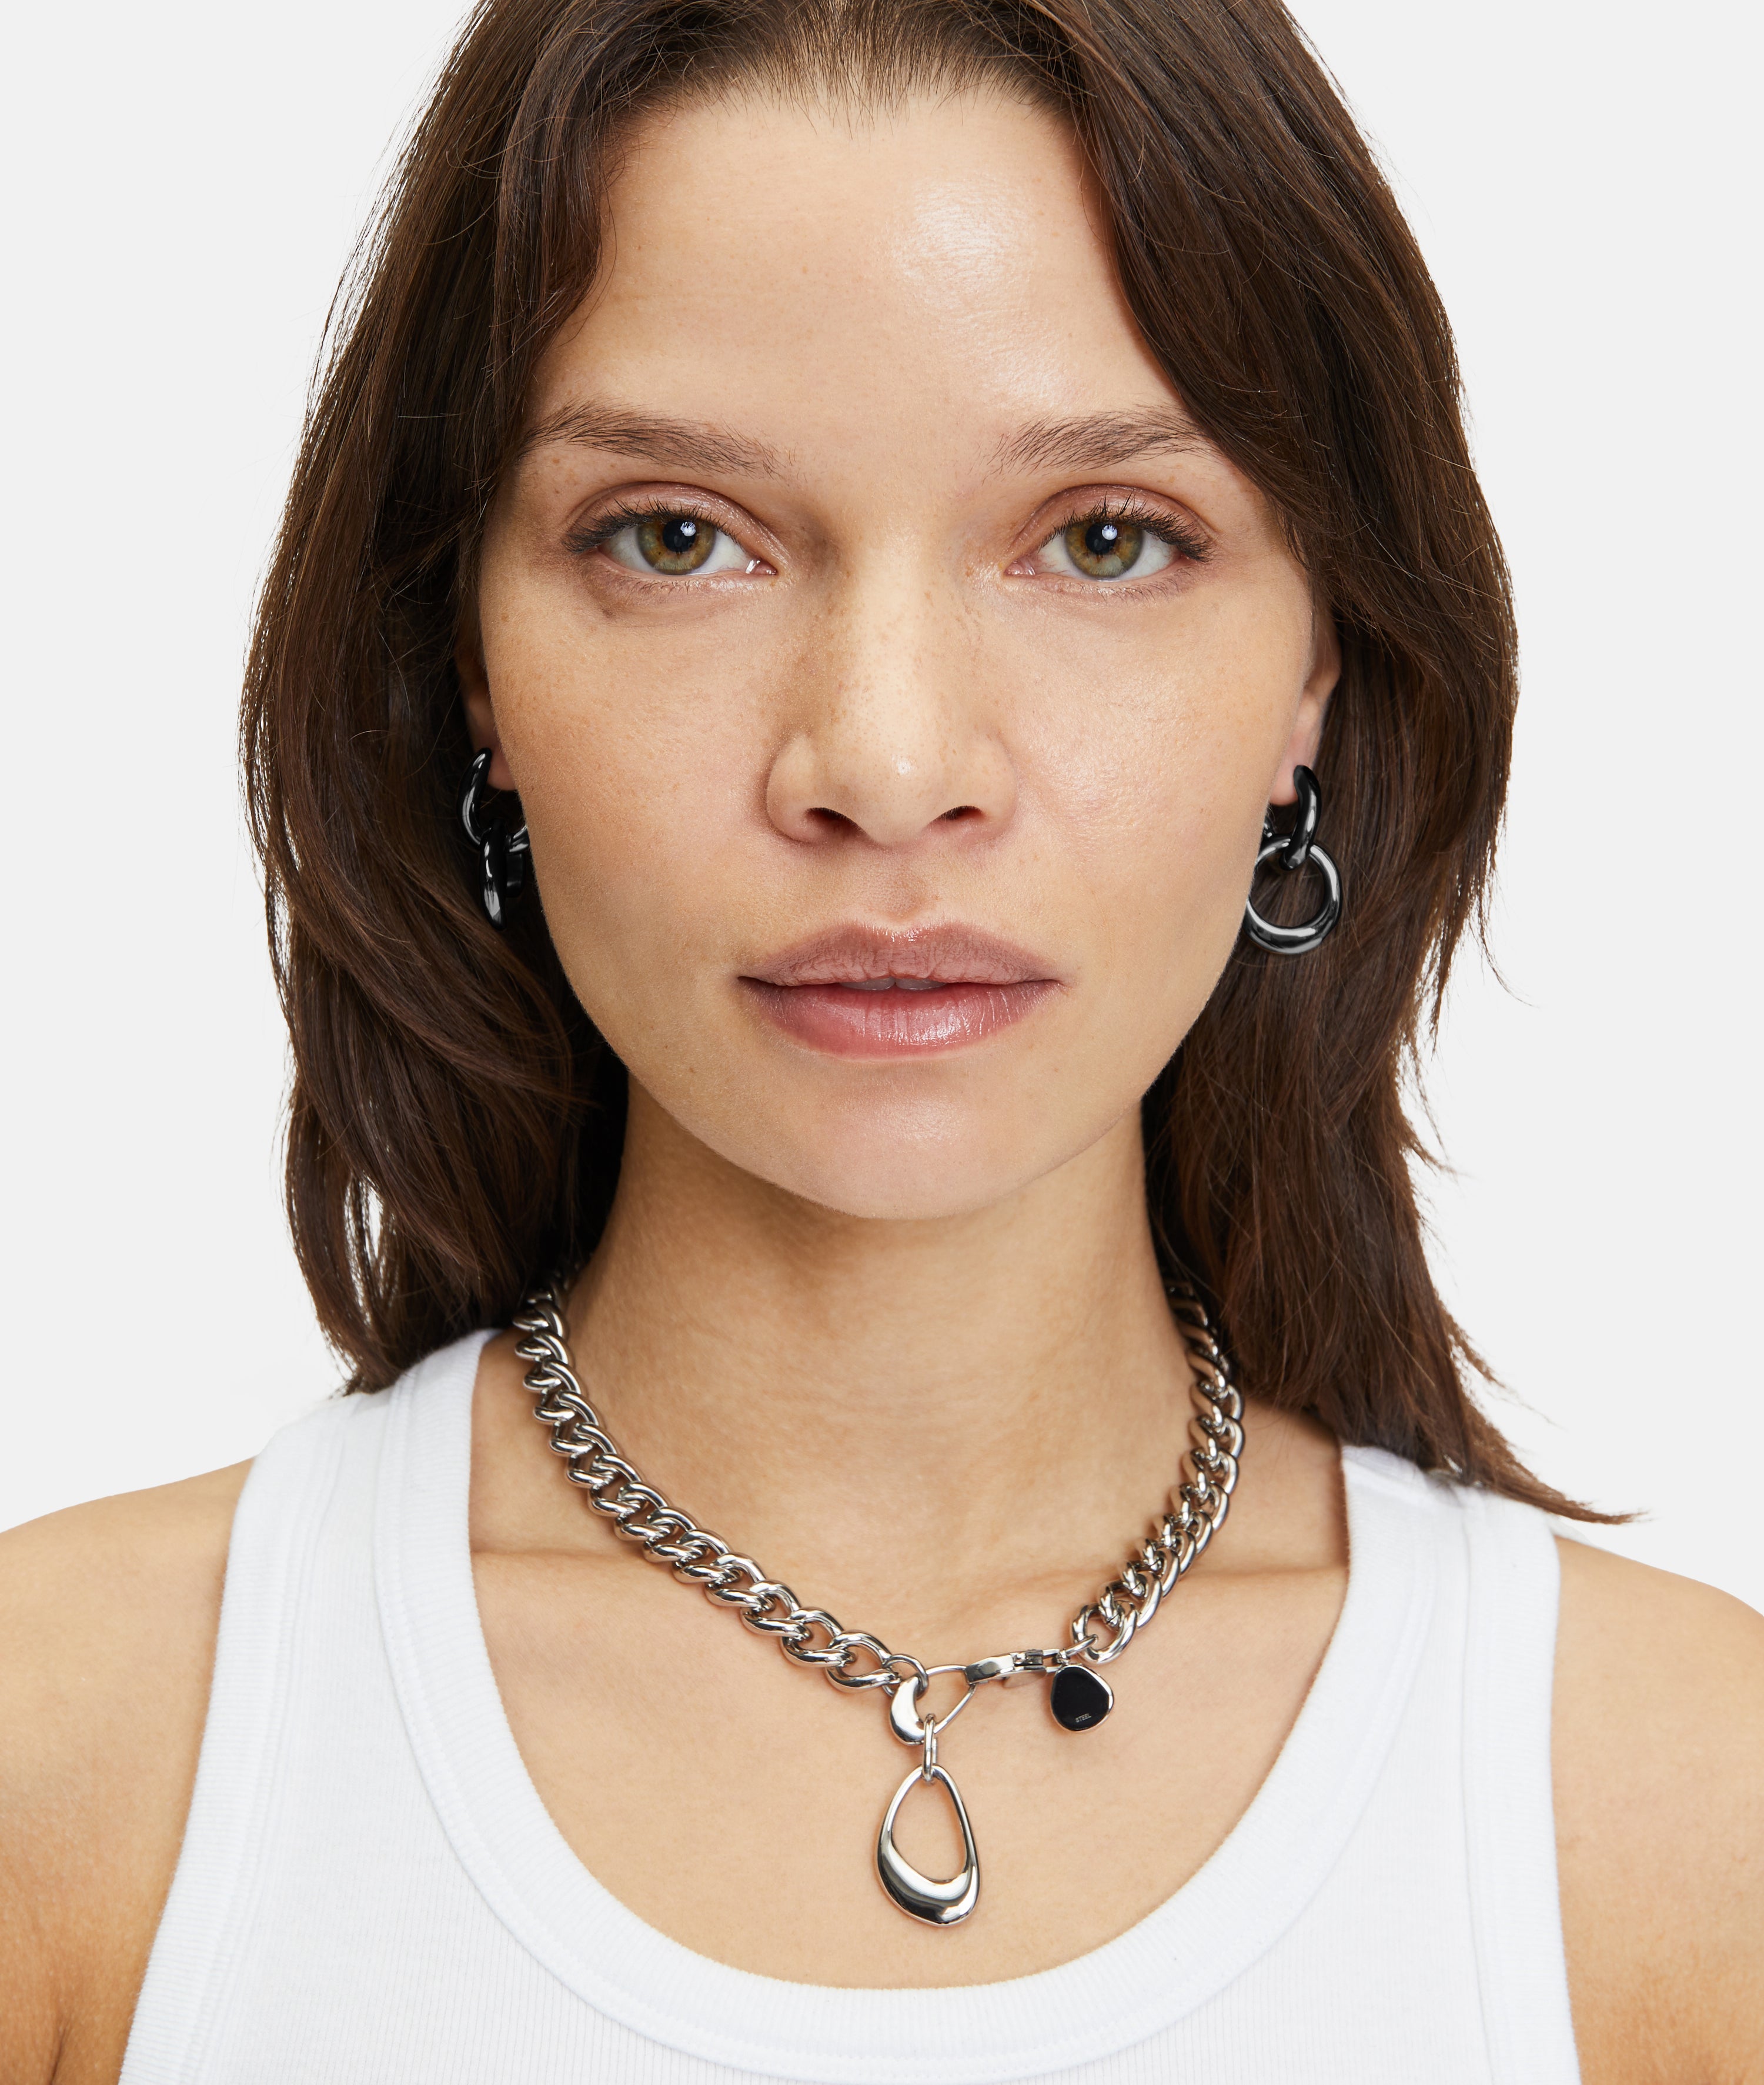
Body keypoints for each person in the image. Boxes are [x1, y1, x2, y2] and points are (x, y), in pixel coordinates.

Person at [2, 1, 1759, 2079]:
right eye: (679, 536)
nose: (890, 764)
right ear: (468, 659)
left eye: (1104, 538)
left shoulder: (1679, 1818)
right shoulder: (77, 1754)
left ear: (1324, 665)